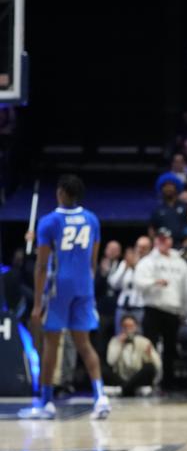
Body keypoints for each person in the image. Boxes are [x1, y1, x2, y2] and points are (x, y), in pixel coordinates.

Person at [19, 175, 111, 420]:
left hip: (59, 287)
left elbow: (41, 266)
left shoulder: (49, 221)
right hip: (84, 285)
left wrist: (38, 304)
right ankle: (100, 397)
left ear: (60, 192)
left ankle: (47, 403)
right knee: (84, 344)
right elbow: (93, 259)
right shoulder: (92, 219)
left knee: (52, 344)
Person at [134, 228, 187, 393]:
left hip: (173, 310)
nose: (162, 243)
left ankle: (168, 382)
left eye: (165, 239)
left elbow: (186, 289)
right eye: (159, 239)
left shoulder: (180, 263)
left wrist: (184, 310)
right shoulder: (147, 262)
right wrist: (154, 282)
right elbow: (138, 282)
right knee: (148, 346)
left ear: (170, 241)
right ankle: (148, 381)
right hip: (153, 308)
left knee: (170, 348)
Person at [105, 315, 159, 396]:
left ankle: (123, 389)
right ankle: (130, 389)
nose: (128, 329)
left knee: (149, 367)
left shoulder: (144, 341)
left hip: (137, 378)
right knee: (104, 369)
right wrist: (119, 345)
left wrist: (150, 355)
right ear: (121, 327)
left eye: (130, 326)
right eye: (125, 326)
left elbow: (158, 366)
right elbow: (110, 361)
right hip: (121, 378)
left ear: (136, 327)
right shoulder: (115, 341)